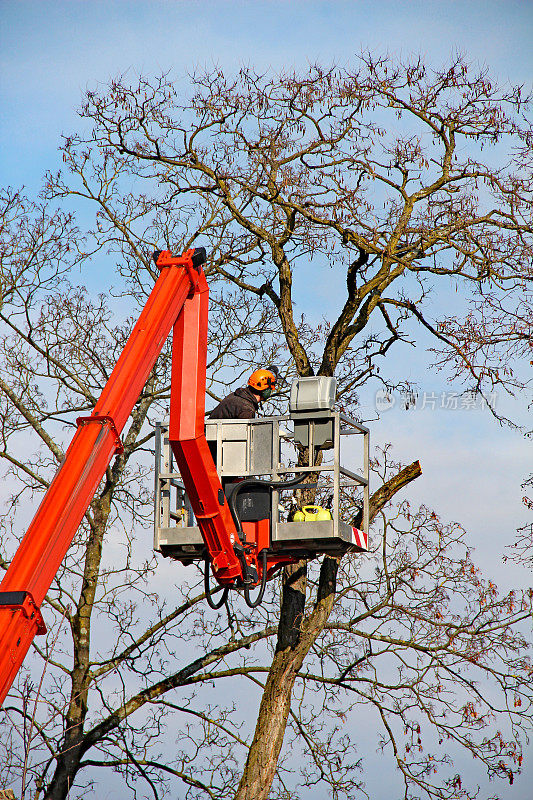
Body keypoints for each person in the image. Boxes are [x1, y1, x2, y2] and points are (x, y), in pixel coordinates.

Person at [208, 366, 278, 420]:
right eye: (270, 389)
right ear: (265, 390)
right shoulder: (246, 409)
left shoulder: (237, 396)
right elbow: (244, 436)